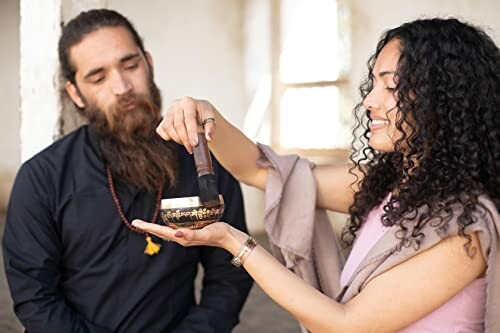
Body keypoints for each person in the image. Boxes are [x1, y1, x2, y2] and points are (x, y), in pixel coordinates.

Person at [133, 18, 500, 332]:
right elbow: (257, 170)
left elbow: (346, 324)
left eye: (393, 86)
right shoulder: (389, 186)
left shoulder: (467, 227)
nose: (371, 101)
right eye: (373, 83)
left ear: (448, 99)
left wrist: (234, 241)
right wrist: (203, 111)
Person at [2, 9, 252, 333]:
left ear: (148, 63)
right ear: (75, 93)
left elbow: (229, 277)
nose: (122, 87)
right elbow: (35, 298)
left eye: (130, 65)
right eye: (98, 77)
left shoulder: (203, 161)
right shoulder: (42, 178)